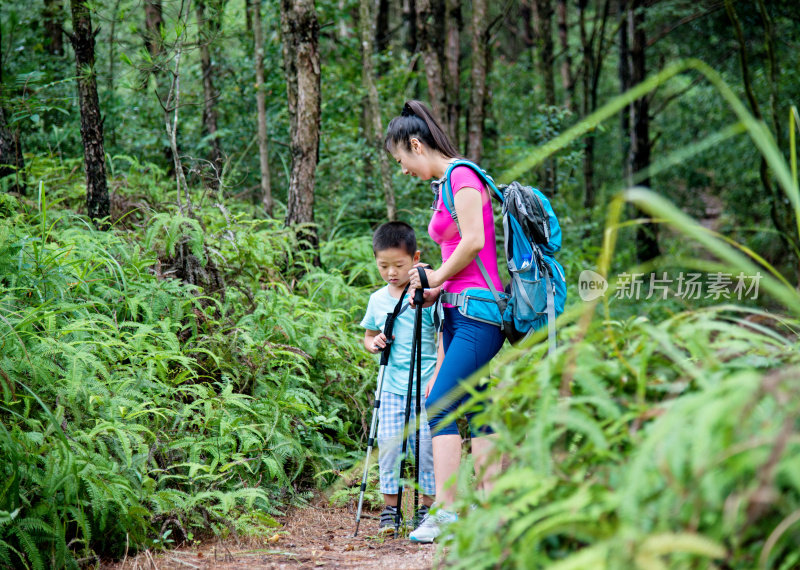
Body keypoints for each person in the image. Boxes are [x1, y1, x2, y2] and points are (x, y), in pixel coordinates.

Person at [384, 100, 505, 543]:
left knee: (438, 404)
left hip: (479, 313)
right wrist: (436, 288)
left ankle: (448, 510)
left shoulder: (462, 176)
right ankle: (494, 506)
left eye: (402, 160)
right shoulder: (446, 184)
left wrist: (435, 274)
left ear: (416, 144)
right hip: (457, 308)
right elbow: (466, 255)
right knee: (478, 405)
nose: (403, 170)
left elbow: (474, 241)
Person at [360, 221, 443, 533]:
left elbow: (442, 333)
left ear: (416, 259)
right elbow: (368, 337)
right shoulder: (377, 299)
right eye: (384, 265)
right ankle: (390, 511)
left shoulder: (429, 294)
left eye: (399, 265)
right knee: (390, 448)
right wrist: (375, 342)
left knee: (426, 449)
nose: (391, 272)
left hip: (425, 387)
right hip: (392, 389)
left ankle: (426, 509)